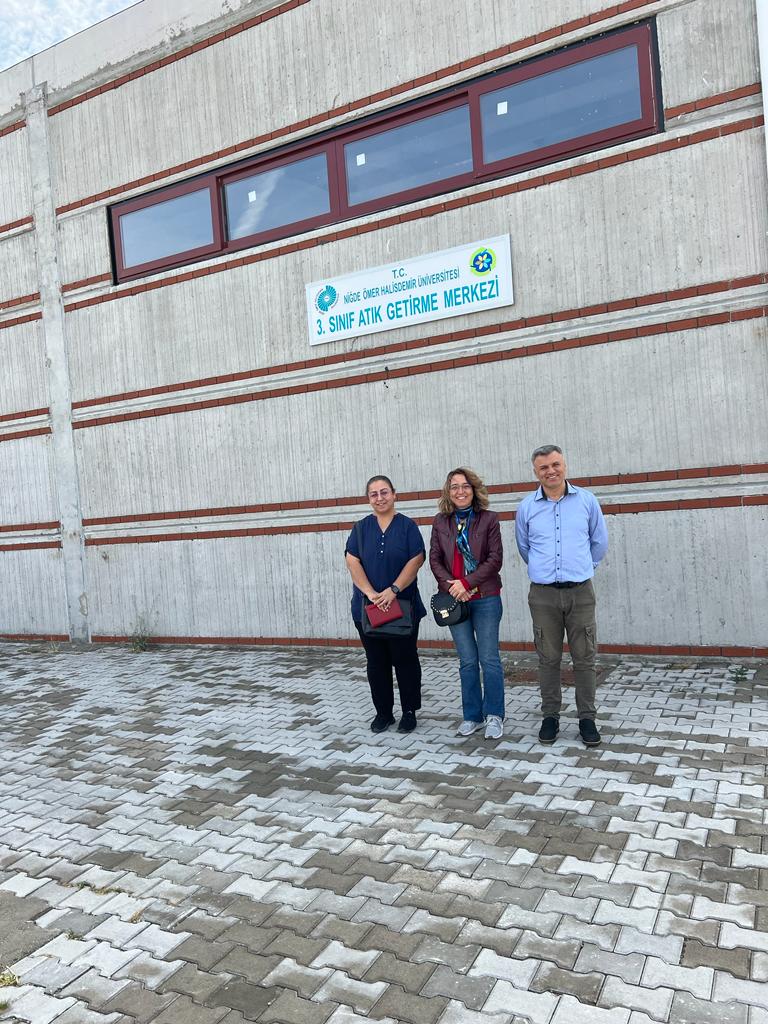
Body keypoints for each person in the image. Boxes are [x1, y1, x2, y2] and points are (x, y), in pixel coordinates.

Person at [515, 445, 609, 746]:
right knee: (548, 658)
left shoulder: (586, 501)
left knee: (585, 657)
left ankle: (587, 719)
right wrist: (546, 570)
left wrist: (582, 568)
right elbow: (525, 547)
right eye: (544, 467)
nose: (551, 471)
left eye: (555, 464)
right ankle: (550, 717)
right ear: (536, 472)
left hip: (580, 592)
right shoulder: (526, 507)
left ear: (564, 466)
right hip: (543, 596)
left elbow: (599, 542)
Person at [345, 475, 426, 733]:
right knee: (376, 662)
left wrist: (393, 590)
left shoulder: (407, 526)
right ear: (368, 499)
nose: (380, 498)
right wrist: (371, 593)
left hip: (402, 607)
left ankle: (409, 712)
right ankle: (383, 713)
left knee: (405, 660)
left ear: (394, 494)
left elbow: (417, 559)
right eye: (374, 494)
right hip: (368, 609)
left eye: (384, 492)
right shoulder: (360, 529)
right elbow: (352, 561)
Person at [429, 467, 505, 740]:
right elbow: (434, 559)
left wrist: (467, 583)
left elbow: (495, 559)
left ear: (474, 489)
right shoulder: (441, 522)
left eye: (465, 486)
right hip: (455, 601)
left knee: (489, 659)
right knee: (468, 661)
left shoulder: (489, 519)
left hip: (485, 598)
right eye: (454, 487)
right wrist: (453, 587)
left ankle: (494, 715)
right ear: (448, 492)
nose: (460, 491)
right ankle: (472, 716)